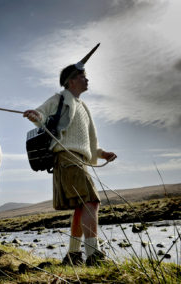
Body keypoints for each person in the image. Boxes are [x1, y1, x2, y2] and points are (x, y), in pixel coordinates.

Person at [23, 44, 117, 266]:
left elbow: (85, 142)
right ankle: (93, 256)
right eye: (83, 76)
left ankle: (73, 256)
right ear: (71, 81)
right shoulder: (60, 98)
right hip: (67, 160)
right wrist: (34, 115)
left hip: (78, 160)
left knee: (81, 207)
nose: (87, 79)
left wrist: (102, 154)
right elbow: (41, 115)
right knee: (91, 202)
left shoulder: (82, 106)